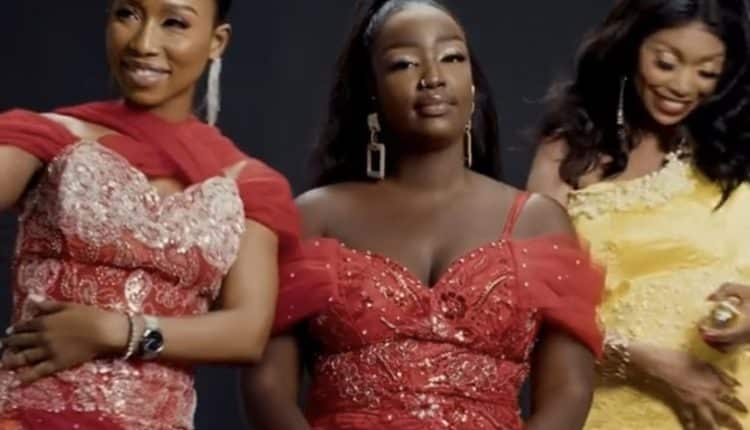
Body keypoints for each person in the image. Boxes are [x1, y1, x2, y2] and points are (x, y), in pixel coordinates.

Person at [242, 1, 604, 429]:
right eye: (404, 64)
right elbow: (267, 386)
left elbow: (569, 391)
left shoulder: (537, 222)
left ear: (473, 84)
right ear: (371, 90)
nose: (433, 77)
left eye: (452, 57)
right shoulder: (315, 217)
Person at [0, 0, 325, 428]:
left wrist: (114, 331)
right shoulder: (51, 137)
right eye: (127, 15)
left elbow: (246, 332)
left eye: (174, 23)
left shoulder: (250, 184)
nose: (143, 43)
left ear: (217, 41)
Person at [527, 0, 750, 428]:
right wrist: (646, 361)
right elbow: (531, 304)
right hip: (609, 407)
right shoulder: (568, 155)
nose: (682, 86)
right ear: (630, 46)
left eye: (706, 72)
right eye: (665, 63)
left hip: (731, 403)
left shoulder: (735, 152)